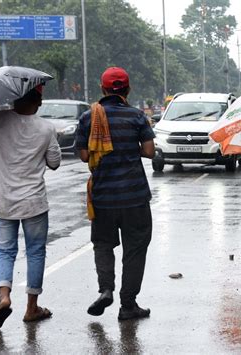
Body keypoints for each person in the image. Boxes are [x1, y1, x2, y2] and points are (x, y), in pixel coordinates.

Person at [0, 86, 61, 329]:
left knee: (4, 251)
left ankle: (4, 297)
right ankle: (32, 308)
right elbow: (54, 162)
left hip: (2, 201)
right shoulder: (45, 127)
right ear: (39, 101)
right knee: (35, 252)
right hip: (34, 202)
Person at [76, 67, 155, 320]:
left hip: (102, 197)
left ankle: (106, 289)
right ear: (127, 89)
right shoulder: (137, 116)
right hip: (134, 198)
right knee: (135, 249)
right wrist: (130, 148)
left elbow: (85, 155)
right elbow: (150, 151)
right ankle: (128, 304)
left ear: (103, 89)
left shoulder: (89, 118)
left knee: (103, 245)